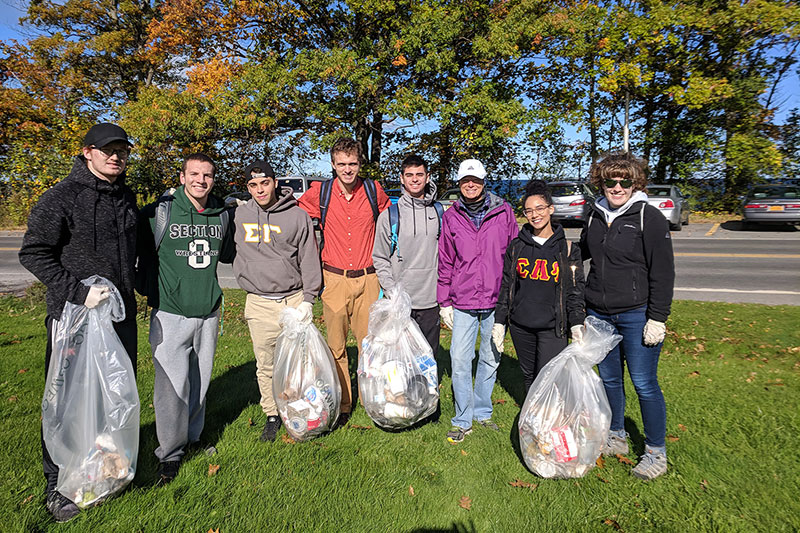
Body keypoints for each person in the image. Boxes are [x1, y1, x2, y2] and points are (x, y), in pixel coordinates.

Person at [19, 123, 138, 522]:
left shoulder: (125, 197)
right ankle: (57, 485)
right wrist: (77, 292)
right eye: (108, 150)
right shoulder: (62, 197)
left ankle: (103, 471)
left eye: (122, 150)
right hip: (75, 320)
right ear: (88, 152)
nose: (116, 156)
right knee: (67, 402)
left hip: (118, 318)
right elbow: (34, 253)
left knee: (112, 396)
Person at [136, 153, 234, 485]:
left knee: (199, 382)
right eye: (194, 174)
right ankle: (170, 453)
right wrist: (147, 289)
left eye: (207, 175)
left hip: (208, 313)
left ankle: (192, 438)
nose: (200, 181)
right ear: (182, 177)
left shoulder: (222, 216)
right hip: (170, 313)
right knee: (171, 387)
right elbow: (135, 255)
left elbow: (230, 254)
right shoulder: (158, 213)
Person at [579, 151, 675, 480]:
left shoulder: (649, 217)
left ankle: (655, 452)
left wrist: (657, 318)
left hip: (637, 315)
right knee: (609, 380)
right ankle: (616, 436)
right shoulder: (593, 215)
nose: (617, 187)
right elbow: (582, 253)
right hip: (599, 314)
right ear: (601, 182)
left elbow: (663, 272)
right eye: (610, 181)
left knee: (644, 384)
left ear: (636, 183)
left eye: (625, 181)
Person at [298, 138, 390, 424]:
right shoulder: (320, 192)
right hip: (334, 279)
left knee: (369, 346)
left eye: (352, 164)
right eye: (342, 164)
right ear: (333, 164)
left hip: (369, 278)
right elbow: (293, 218)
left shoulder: (374, 191)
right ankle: (345, 404)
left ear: (360, 163)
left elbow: (392, 224)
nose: (347, 169)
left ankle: (371, 400)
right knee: (336, 347)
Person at [231, 160, 322, 442]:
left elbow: (309, 259)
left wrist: (308, 299)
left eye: (265, 183)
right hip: (258, 302)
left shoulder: (297, 216)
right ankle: (272, 414)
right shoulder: (239, 215)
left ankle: (295, 407)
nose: (260, 190)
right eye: (253, 185)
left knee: (298, 363)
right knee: (266, 364)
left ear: (274, 182)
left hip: (292, 299)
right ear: (248, 188)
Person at [437, 158, 518, 443]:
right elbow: (446, 259)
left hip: (496, 299)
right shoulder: (451, 216)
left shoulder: (504, 212)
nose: (470, 185)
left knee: (490, 357)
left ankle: (483, 412)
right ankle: (462, 419)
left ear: (484, 181)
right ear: (459, 183)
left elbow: (514, 257)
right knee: (459, 359)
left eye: (475, 180)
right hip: (463, 299)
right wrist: (443, 300)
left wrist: (512, 297)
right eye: (464, 181)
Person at [494, 179, 585, 393]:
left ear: (551, 209)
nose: (535, 215)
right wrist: (500, 322)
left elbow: (575, 290)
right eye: (528, 211)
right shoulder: (517, 248)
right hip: (521, 326)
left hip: (552, 327)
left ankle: (551, 423)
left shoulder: (568, 249)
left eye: (540, 209)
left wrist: (577, 322)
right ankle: (532, 423)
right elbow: (507, 286)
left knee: (550, 378)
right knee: (529, 376)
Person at [372, 154, 442, 356]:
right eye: (409, 175)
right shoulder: (390, 215)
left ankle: (429, 388)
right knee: (400, 358)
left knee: (428, 355)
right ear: (402, 178)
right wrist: (392, 291)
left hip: (430, 299)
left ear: (427, 177)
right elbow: (380, 257)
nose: (415, 179)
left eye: (419, 174)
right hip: (400, 301)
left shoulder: (439, 212)